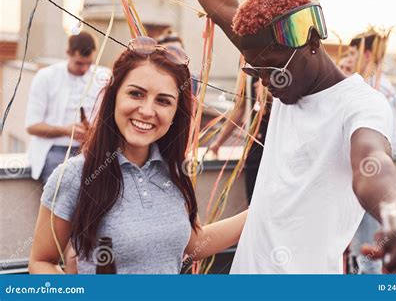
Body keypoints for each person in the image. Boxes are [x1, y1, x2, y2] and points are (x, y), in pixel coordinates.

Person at [181, 0, 396, 274]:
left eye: (273, 69)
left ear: (310, 41)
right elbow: (219, 3)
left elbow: (372, 167)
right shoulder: (278, 64)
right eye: (257, 71)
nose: (266, 82)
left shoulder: (361, 104)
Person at [29, 36, 247, 274]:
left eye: (163, 101)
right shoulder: (73, 176)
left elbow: (194, 242)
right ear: (114, 97)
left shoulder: (174, 170)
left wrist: (261, 207)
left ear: (176, 113)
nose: (146, 111)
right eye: (136, 94)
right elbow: (41, 262)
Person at [345, 29, 396, 274]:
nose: (348, 57)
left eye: (352, 52)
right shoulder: (365, 85)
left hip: (371, 179)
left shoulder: (377, 90)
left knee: (366, 254)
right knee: (358, 251)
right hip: (361, 178)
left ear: (366, 54)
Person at [25, 31, 106, 184]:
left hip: (92, 150)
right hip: (55, 149)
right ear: (68, 54)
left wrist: (94, 130)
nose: (84, 69)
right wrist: (66, 131)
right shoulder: (45, 77)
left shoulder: (102, 76)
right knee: (56, 201)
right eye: (79, 63)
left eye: (89, 63)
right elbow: (32, 126)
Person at [209, 76, 271, 205]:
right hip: (254, 146)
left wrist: (270, 95)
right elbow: (240, 107)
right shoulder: (247, 71)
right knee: (253, 200)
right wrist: (219, 141)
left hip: (277, 145)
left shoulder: (285, 61)